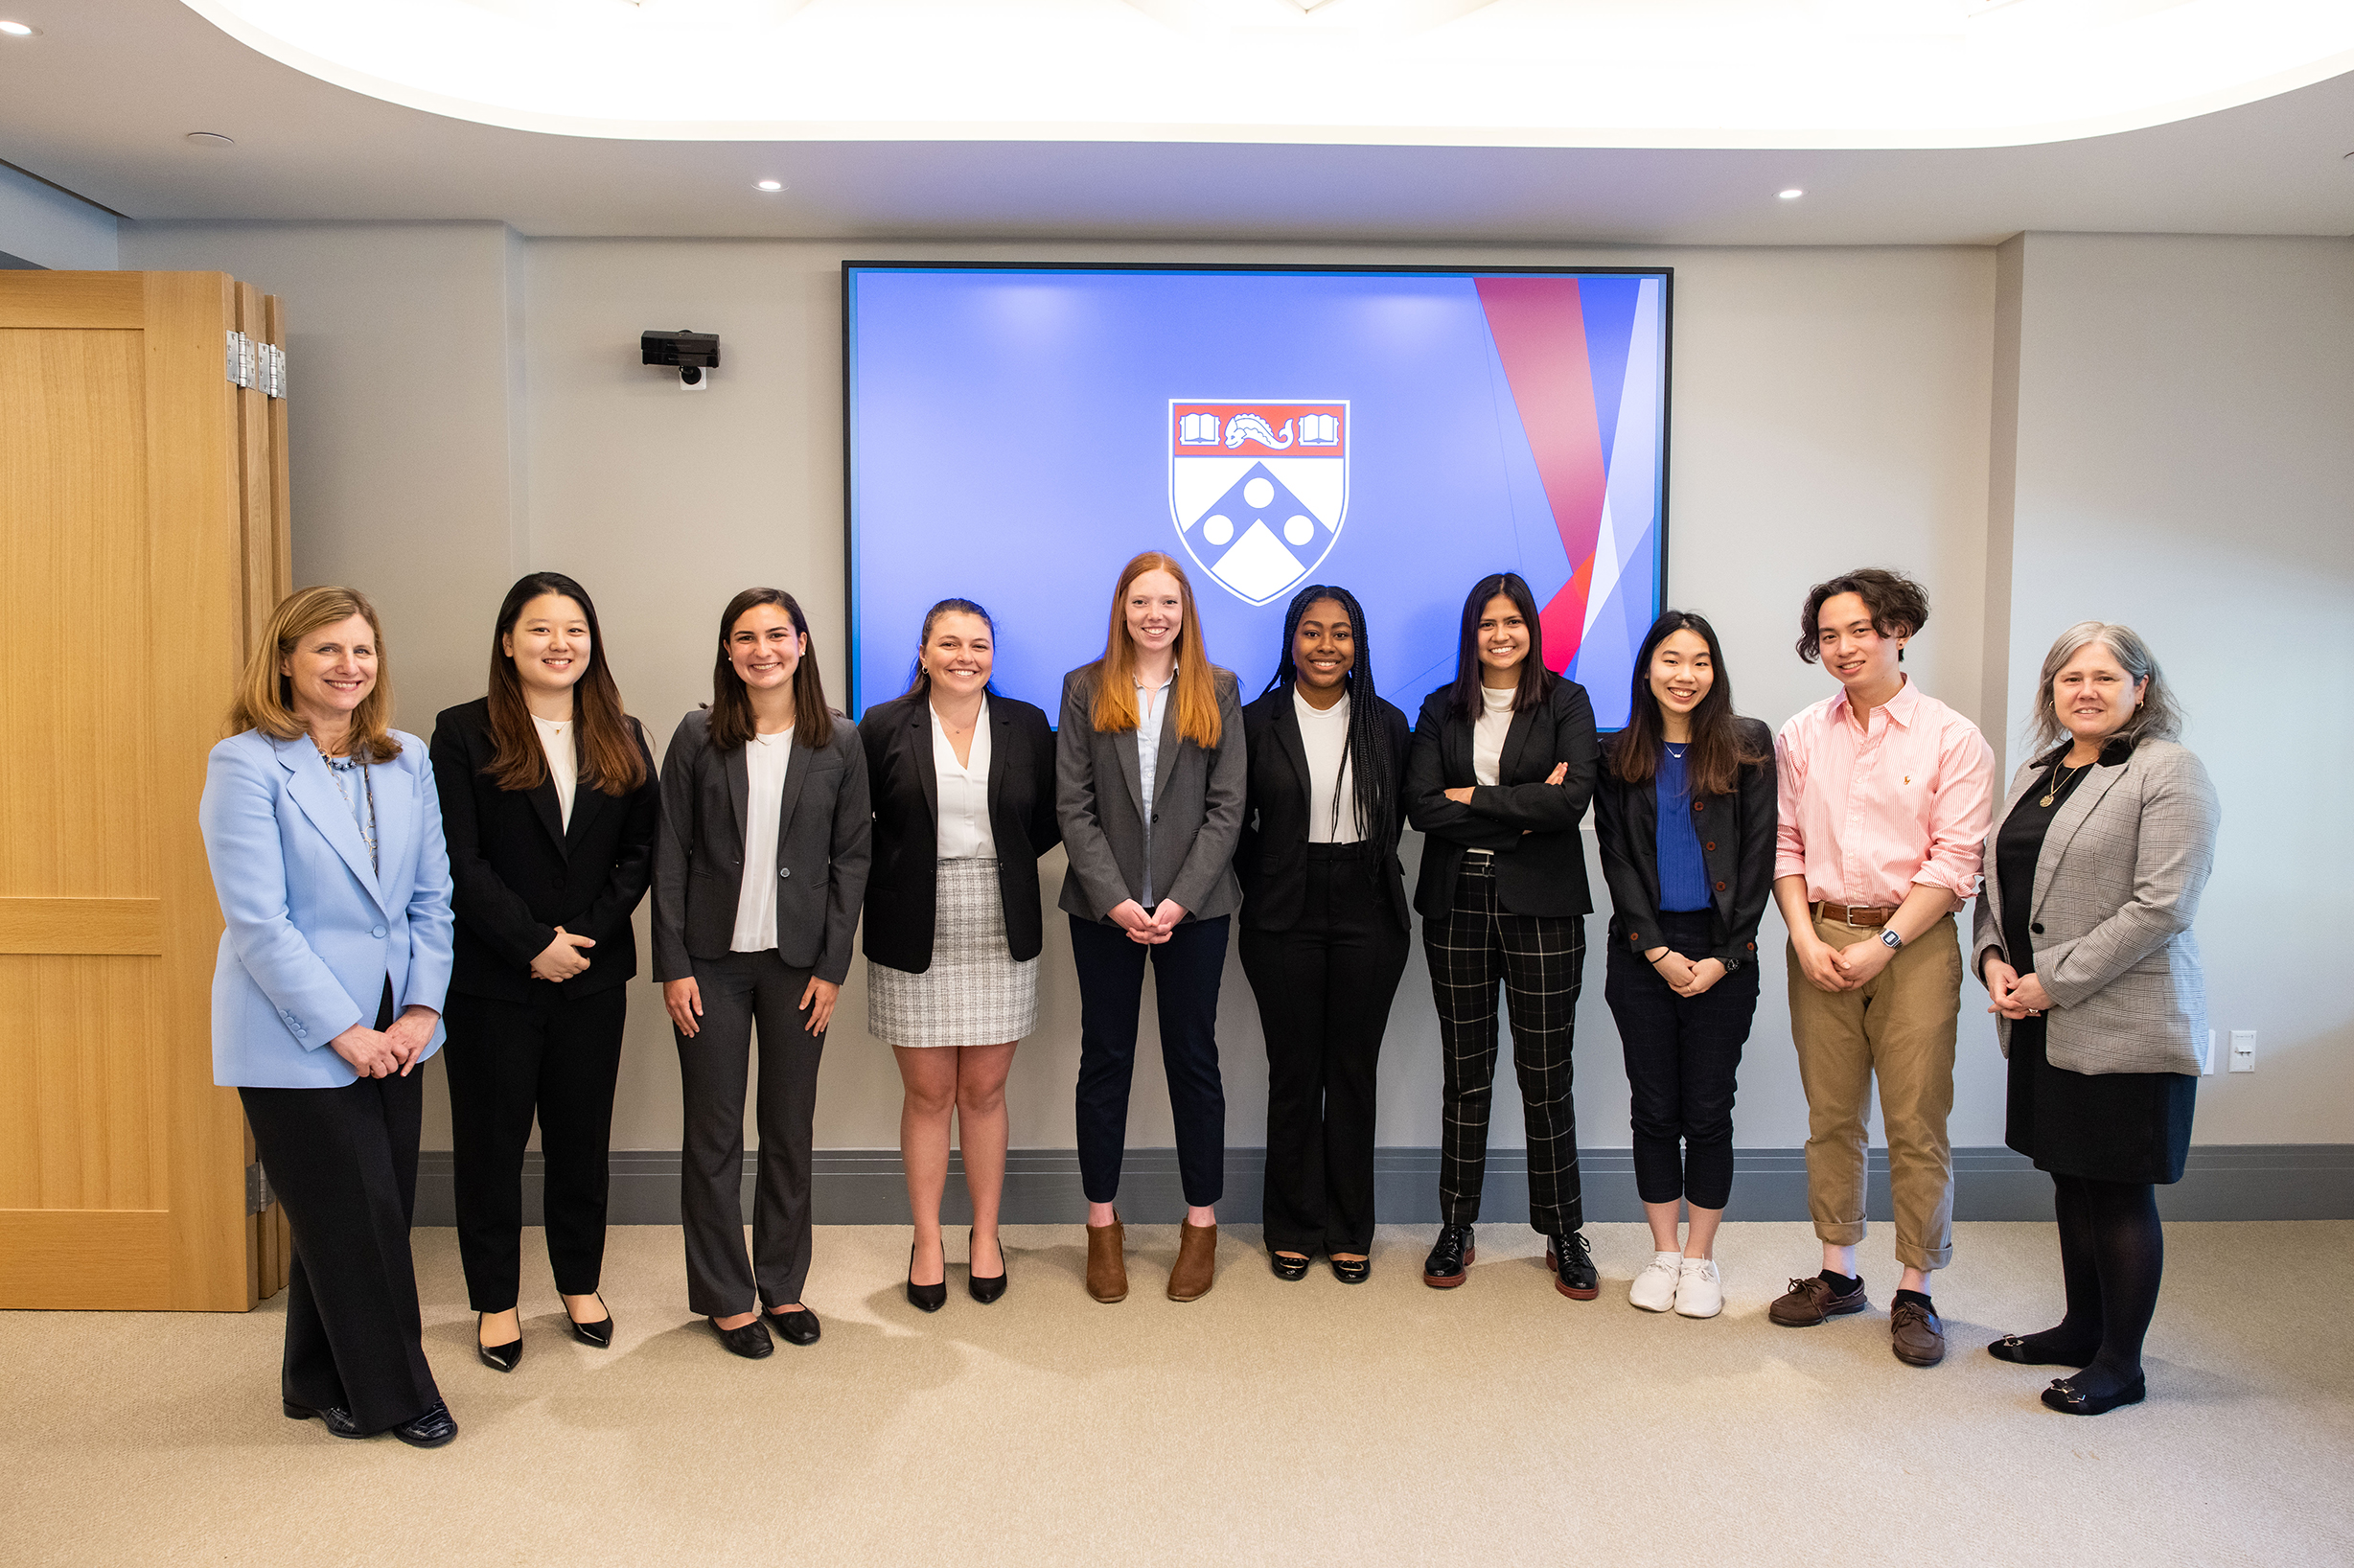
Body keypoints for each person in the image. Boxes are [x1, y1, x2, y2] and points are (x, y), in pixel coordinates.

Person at [199, 586, 457, 1447]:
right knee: (360, 1217)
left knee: (353, 1207)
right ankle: (399, 1395)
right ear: (284, 660)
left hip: (398, 1026)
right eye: (327, 651)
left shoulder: (405, 758)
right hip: (294, 1031)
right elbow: (258, 923)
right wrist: (345, 1030)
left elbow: (430, 899)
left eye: (363, 651)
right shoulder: (244, 764)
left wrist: (422, 1008)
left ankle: (315, 1379)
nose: (351, 667)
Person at [1974, 623, 2216, 1416]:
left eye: (2106, 678)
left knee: (2116, 1193)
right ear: (2051, 691)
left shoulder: (2168, 772)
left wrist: (2051, 981)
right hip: (2042, 1017)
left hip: (2124, 1021)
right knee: (2070, 1180)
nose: (2086, 690)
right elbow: (1997, 889)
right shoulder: (2036, 773)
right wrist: (1994, 961)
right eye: (2070, 677)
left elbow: (2163, 906)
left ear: (2141, 689)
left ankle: (2121, 1364)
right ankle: (2080, 1329)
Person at [429, 573, 659, 1371]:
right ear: (507, 641)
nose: (559, 644)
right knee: (490, 1145)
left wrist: (581, 939)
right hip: (494, 978)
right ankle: (495, 1300)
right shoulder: (462, 733)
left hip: (591, 978)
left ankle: (579, 1284)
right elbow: (458, 859)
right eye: (540, 629)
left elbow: (639, 855)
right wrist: (531, 943)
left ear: (592, 644)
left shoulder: (622, 732)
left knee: (579, 1140)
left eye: (574, 630)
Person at [1767, 567, 1994, 1368]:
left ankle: (1916, 1288)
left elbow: (1955, 862)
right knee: (1831, 1117)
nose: (1843, 647)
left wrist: (1884, 944)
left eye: (1859, 629)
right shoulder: (1799, 735)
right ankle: (1838, 1272)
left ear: (1899, 630)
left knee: (1914, 1120)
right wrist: (1802, 936)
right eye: (1828, 635)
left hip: (1914, 945)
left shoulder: (1951, 737)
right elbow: (1786, 846)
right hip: (1821, 940)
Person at [652, 588, 871, 1359]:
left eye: (777, 635)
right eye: (744, 637)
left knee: (788, 1130)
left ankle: (782, 1284)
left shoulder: (840, 741)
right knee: (712, 1135)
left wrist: (835, 966)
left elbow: (853, 859)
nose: (762, 649)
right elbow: (669, 853)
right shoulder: (697, 734)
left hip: (799, 967)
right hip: (708, 965)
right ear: (727, 651)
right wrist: (672, 965)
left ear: (803, 645)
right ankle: (725, 1294)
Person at [1056, 551, 1246, 1304]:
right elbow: (1072, 806)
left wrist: (1178, 900)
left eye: (1168, 601)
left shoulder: (1218, 689)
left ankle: (1200, 1223)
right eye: (1142, 601)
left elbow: (1228, 808)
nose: (1155, 614)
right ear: (1123, 609)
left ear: (1185, 610)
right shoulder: (1084, 688)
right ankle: (1103, 1222)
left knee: (1193, 1060)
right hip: (1103, 912)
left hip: (1194, 912)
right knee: (1104, 1059)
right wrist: (1116, 898)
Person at [1404, 571, 1601, 1300]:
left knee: (1547, 1075)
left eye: (1514, 621)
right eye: (1488, 623)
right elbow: (1422, 808)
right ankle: (1456, 1224)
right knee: (1468, 1072)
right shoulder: (1439, 709)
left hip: (1543, 905)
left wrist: (1475, 798)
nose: (1502, 634)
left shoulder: (1568, 702)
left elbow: (1572, 799)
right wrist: (1522, 808)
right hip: (1457, 902)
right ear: (1471, 633)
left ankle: (1562, 1230)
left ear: (1532, 630)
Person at [861, 599, 1060, 1311]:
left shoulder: (1028, 725)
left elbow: (1045, 820)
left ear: (993, 656)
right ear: (923, 652)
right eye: (949, 642)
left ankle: (983, 1235)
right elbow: (864, 828)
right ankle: (925, 1239)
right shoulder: (882, 726)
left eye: (978, 644)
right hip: (910, 916)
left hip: (999, 916)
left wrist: (994, 866)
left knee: (982, 1092)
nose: (964, 655)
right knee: (928, 1095)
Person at [1595, 611, 1775, 1319]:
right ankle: (1664, 1252)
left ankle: (1701, 1259)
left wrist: (1724, 958)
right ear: (1647, 669)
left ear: (1714, 672)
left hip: (1725, 949)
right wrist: (1660, 950)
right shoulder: (1616, 755)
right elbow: (1617, 860)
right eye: (1672, 660)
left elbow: (1760, 854)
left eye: (1700, 662)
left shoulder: (1747, 744)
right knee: (1653, 1106)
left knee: (1708, 1109)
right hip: (1643, 950)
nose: (1685, 675)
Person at [1235, 585, 1414, 1284]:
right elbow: (1233, 823)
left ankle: (1348, 1229)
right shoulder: (1255, 722)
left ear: (1357, 644)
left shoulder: (1387, 723)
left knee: (1351, 1074)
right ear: (1291, 640)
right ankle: (1291, 1225)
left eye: (1341, 633)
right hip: (1283, 910)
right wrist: (1274, 876)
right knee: (1294, 1073)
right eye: (1312, 632)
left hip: (1368, 905)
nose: (1326, 646)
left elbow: (1399, 817)